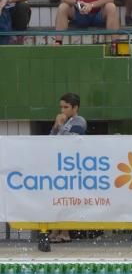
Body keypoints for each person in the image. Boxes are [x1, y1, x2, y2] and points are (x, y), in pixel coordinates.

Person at [48, 92, 87, 243]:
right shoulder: (62, 121)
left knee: (67, 199)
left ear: (75, 107)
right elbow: (51, 139)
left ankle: (65, 232)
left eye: (66, 107)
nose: (62, 110)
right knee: (57, 198)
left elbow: (72, 140)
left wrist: (61, 125)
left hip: (71, 164)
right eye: (61, 107)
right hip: (59, 163)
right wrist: (55, 126)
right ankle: (55, 229)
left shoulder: (79, 121)